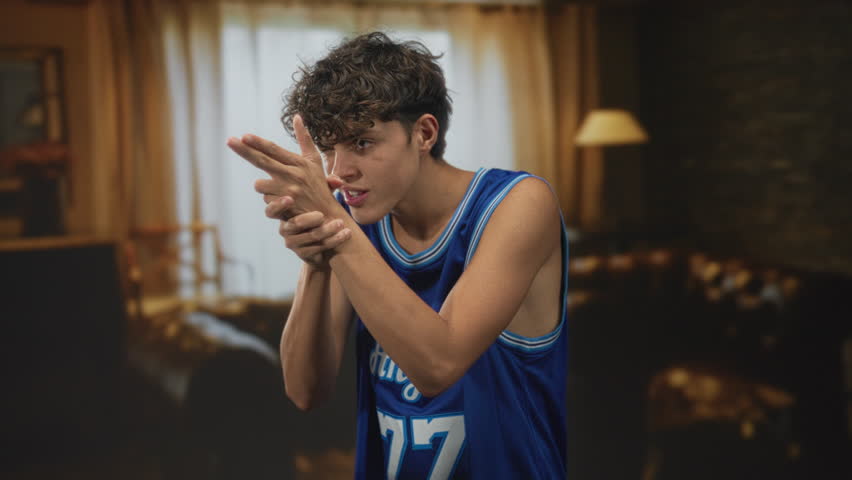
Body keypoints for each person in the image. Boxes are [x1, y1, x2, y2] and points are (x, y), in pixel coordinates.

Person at [227, 31, 568, 480]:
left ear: (424, 133)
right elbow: (304, 390)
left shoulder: (518, 203)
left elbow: (438, 365)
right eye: (329, 149)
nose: (338, 172)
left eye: (362, 144)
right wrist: (315, 261)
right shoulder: (355, 222)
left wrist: (337, 229)